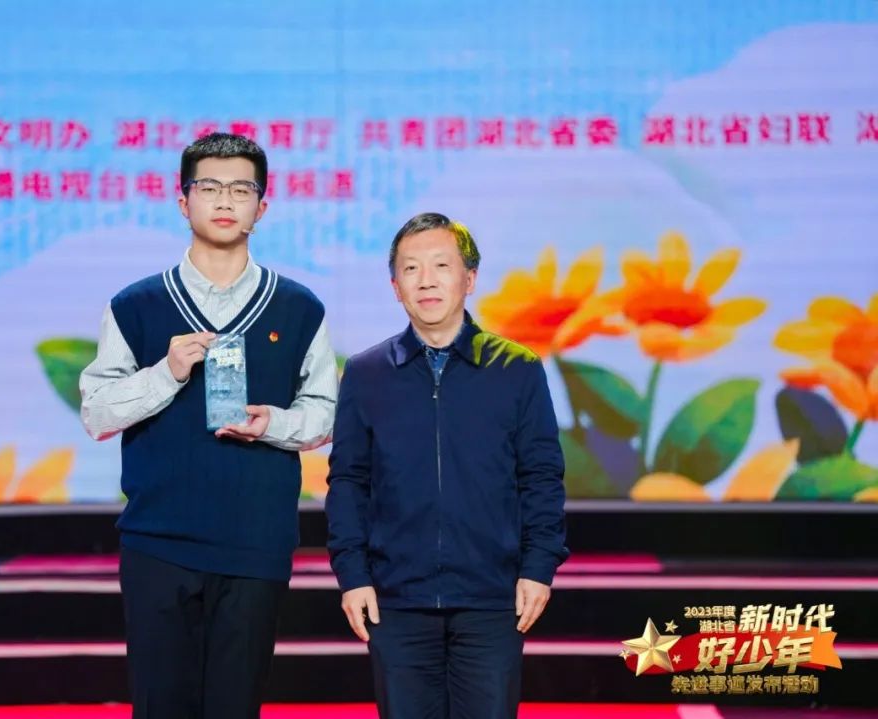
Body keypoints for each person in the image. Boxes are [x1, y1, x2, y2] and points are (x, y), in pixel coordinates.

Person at [79, 132, 337, 719]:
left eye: (241, 189)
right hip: (159, 542)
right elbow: (96, 412)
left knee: (235, 706)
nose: (225, 200)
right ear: (183, 201)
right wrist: (165, 373)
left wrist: (272, 423)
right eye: (210, 187)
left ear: (261, 207)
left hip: (255, 543)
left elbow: (325, 413)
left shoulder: (299, 307)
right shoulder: (135, 305)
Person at [325, 212, 569, 719]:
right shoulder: (367, 374)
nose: (426, 280)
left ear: (470, 279)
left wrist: (538, 567)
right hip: (396, 599)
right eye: (411, 269)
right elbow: (348, 481)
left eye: (441, 265)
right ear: (396, 287)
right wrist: (352, 574)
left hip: (492, 598)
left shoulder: (516, 369)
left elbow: (541, 478)